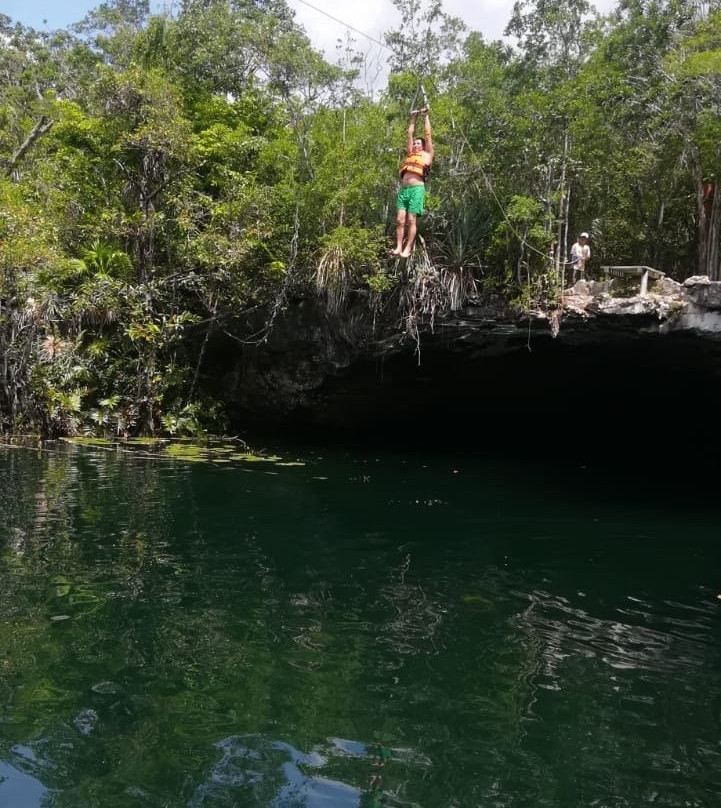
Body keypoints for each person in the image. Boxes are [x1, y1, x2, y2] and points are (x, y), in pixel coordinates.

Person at [391, 108, 433, 258]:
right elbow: (409, 134)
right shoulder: (410, 154)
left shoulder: (427, 155)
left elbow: (428, 135)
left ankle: (408, 248)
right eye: (414, 144)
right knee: (399, 220)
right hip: (404, 190)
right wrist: (413, 118)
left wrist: (425, 116)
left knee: (411, 219)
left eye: (418, 144)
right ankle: (398, 247)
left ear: (423, 146)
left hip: (417, 189)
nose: (415, 145)